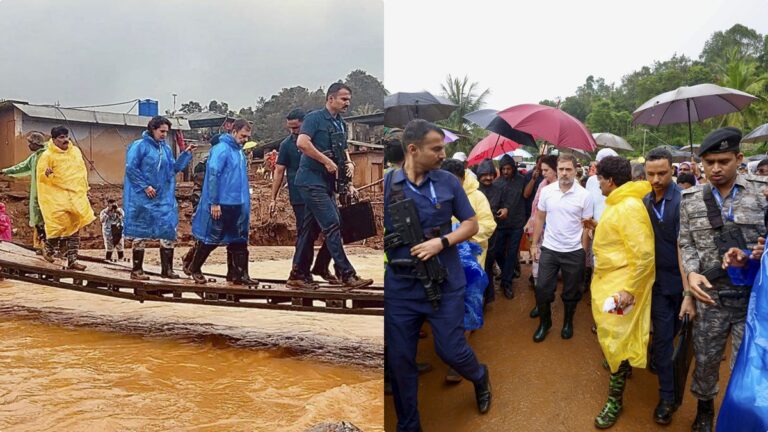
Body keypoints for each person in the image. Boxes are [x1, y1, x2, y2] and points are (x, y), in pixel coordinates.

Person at [385, 119, 491, 431]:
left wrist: (442, 241)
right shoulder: (387, 184)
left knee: (450, 349)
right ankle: (408, 425)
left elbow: (470, 224)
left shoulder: (447, 182)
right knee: (401, 360)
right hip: (402, 288)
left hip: (444, 282)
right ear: (413, 149)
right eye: (437, 148)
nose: (443, 154)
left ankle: (480, 376)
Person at [679, 127, 768, 432]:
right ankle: (705, 410)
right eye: (709, 162)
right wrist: (689, 279)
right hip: (710, 297)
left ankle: (743, 419)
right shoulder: (690, 199)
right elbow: (686, 243)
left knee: (749, 367)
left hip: (752, 301)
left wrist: (756, 252)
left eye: (723, 161)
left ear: (739, 159)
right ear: (700, 162)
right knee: (705, 360)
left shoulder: (762, 192)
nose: (715, 168)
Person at [590, 155, 655, 429]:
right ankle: (621, 365)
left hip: (622, 287)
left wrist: (628, 290)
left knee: (615, 339)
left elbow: (644, 255)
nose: (599, 186)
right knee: (613, 338)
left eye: (600, 181)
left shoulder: (627, 206)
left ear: (611, 181)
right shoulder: (619, 203)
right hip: (611, 281)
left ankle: (614, 400)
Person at [294, 83, 372, 290]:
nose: (348, 103)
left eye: (348, 99)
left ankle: (300, 273)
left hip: (328, 183)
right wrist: (325, 161)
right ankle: (346, 273)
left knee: (309, 230)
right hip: (311, 180)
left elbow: (343, 151)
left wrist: (349, 171)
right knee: (333, 224)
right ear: (331, 98)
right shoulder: (314, 118)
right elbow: (302, 143)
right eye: (344, 99)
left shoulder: (340, 123)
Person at [643, 147, 695, 424]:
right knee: (664, 337)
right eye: (650, 174)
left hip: (685, 281)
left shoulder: (686, 201)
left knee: (676, 332)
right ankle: (667, 397)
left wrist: (688, 290)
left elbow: (684, 246)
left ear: (672, 170)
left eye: (662, 173)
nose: (656, 179)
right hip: (657, 283)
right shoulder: (643, 202)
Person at [186, 119, 259, 286]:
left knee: (239, 238)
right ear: (233, 132)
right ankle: (194, 267)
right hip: (222, 203)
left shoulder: (239, 151)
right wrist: (214, 202)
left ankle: (239, 274)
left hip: (237, 203)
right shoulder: (222, 149)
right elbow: (213, 175)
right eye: (243, 136)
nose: (245, 140)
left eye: (247, 137)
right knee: (212, 237)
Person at [269, 108, 337, 288]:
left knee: (334, 227)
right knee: (306, 234)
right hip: (300, 196)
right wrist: (272, 198)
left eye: (297, 127)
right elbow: (279, 171)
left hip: (322, 191)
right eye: (290, 128)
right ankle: (301, 272)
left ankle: (320, 266)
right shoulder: (286, 145)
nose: (293, 132)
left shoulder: (316, 142)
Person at [530, 154, 593, 342]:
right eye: (561, 169)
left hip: (573, 251)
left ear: (575, 170)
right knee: (542, 288)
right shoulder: (547, 191)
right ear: (556, 170)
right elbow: (540, 217)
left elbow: (586, 225)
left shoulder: (584, 195)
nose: (564, 173)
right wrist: (534, 244)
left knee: (571, 292)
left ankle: (567, 322)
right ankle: (545, 323)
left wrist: (582, 250)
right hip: (549, 248)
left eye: (568, 169)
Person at [123, 116, 195, 280]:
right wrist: (145, 186)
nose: (164, 135)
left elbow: (173, 169)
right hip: (143, 198)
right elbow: (131, 168)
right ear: (152, 129)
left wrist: (186, 154)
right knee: (140, 231)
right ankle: (137, 270)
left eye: (166, 132)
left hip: (163, 197)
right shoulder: (139, 146)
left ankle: (167, 270)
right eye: (161, 131)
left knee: (167, 230)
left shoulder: (166, 149)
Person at [36, 126, 95, 270]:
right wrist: (47, 174)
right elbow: (41, 177)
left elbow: (81, 172)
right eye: (61, 137)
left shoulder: (75, 152)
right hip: (56, 196)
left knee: (76, 225)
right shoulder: (47, 155)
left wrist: (84, 189)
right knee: (59, 224)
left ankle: (72, 261)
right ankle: (49, 247)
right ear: (54, 140)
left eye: (66, 136)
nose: (65, 140)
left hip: (75, 195)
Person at [0, 132, 47, 250]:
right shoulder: (34, 157)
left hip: (48, 194)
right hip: (37, 193)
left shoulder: (47, 156)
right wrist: (6, 171)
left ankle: (49, 247)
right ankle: (40, 246)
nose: (28, 146)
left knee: (47, 219)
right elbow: (22, 166)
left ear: (36, 143)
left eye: (30, 143)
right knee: (38, 220)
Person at [493, 154, 526, 298]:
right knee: (498, 251)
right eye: (504, 169)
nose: (506, 171)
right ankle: (508, 270)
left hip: (517, 223)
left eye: (509, 168)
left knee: (512, 253)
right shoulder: (497, 182)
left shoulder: (522, 180)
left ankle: (507, 282)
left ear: (513, 168)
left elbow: (527, 195)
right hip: (501, 224)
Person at [523, 155, 558, 292]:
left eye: (546, 170)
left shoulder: (562, 188)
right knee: (537, 262)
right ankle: (540, 298)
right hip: (539, 231)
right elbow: (536, 208)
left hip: (554, 234)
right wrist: (530, 221)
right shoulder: (542, 185)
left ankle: (547, 295)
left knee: (549, 267)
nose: (543, 173)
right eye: (542, 170)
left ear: (555, 170)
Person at [476, 158, 503, 304]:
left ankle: (488, 297)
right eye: (485, 174)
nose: (488, 177)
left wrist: (505, 210)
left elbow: (504, 205)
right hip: (476, 235)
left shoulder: (498, 189)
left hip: (492, 234)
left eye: (491, 174)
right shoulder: (474, 190)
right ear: (479, 174)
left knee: (488, 265)